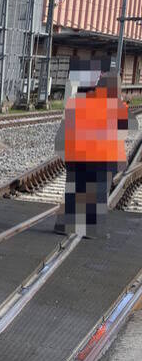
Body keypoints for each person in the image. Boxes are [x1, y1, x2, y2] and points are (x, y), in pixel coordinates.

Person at [56, 59, 129, 237]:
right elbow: (122, 132)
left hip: (77, 156)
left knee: (75, 191)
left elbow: (66, 128)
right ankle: (89, 229)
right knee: (96, 195)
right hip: (103, 160)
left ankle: (66, 226)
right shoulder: (119, 107)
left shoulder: (79, 102)